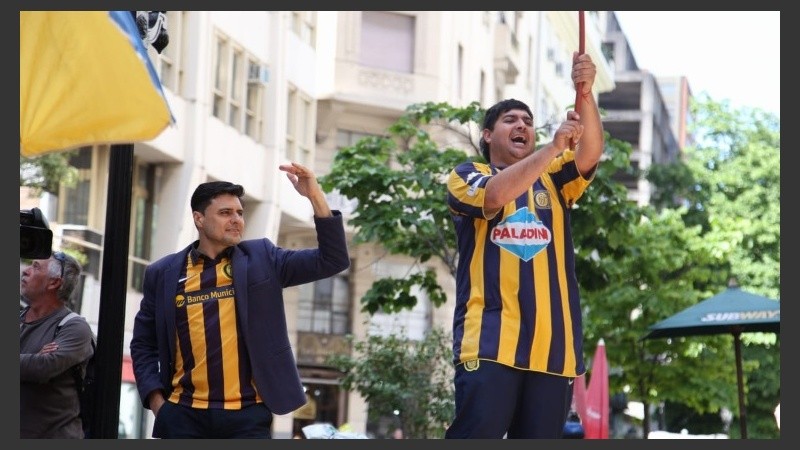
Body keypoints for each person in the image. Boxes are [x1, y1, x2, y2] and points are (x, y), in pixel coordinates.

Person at [444, 52, 604, 439]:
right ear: (487, 135)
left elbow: (590, 153)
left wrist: (585, 91)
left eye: (528, 122)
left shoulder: (555, 179)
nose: (522, 126)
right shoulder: (467, 175)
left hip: (555, 350)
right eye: (510, 120)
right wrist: (551, 148)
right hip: (489, 341)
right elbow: (495, 196)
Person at [130, 162, 350, 438]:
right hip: (182, 416)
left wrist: (315, 196)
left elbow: (333, 259)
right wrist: (156, 401)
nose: (236, 219)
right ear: (199, 219)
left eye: (239, 213)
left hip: (246, 417)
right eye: (225, 213)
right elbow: (143, 343)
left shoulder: (263, 259)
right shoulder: (163, 273)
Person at [20, 251, 93, 438]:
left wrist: (37, 362)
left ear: (54, 282)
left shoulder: (74, 326)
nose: (25, 271)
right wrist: (33, 359)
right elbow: (34, 365)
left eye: (36, 266)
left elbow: (42, 368)